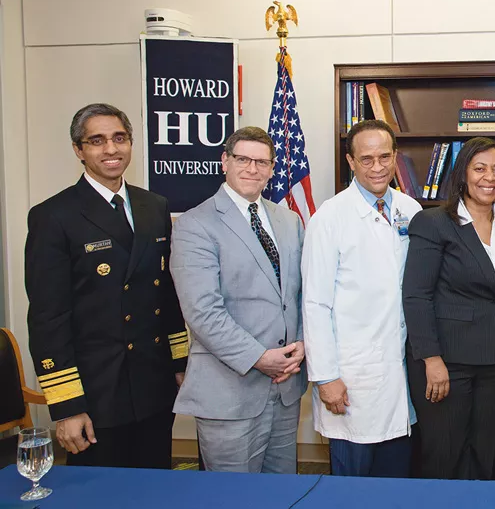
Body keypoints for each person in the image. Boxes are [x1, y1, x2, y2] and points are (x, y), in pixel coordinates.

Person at [25, 103, 187, 468]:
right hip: (96, 393)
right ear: (79, 150)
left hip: (154, 384)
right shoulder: (53, 216)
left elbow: (168, 295)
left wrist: (180, 364)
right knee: (100, 495)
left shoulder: (154, 205)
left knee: (155, 486)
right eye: (96, 141)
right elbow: (48, 318)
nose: (111, 149)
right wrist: (67, 406)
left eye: (119, 138)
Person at [170, 126, 307, 474]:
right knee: (232, 497)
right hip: (230, 390)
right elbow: (202, 312)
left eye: (262, 162)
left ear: (273, 168)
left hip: (286, 385)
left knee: (282, 492)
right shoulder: (195, 224)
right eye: (243, 159)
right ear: (224, 162)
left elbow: (301, 293)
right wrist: (259, 357)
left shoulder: (289, 220)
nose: (252, 169)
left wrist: (303, 342)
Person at [302, 120, 422, 477]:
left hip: (400, 374)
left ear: (395, 156)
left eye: (385, 156)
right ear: (350, 162)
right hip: (352, 378)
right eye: (366, 159)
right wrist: (325, 377)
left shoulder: (409, 209)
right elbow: (315, 303)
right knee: (352, 488)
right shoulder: (330, 217)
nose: (378, 167)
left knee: (395, 483)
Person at [403, 137, 495, 479]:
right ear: (462, 175)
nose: (490, 177)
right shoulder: (434, 223)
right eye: (480, 168)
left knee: (484, 453)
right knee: (445, 455)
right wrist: (431, 359)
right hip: (447, 364)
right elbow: (416, 295)